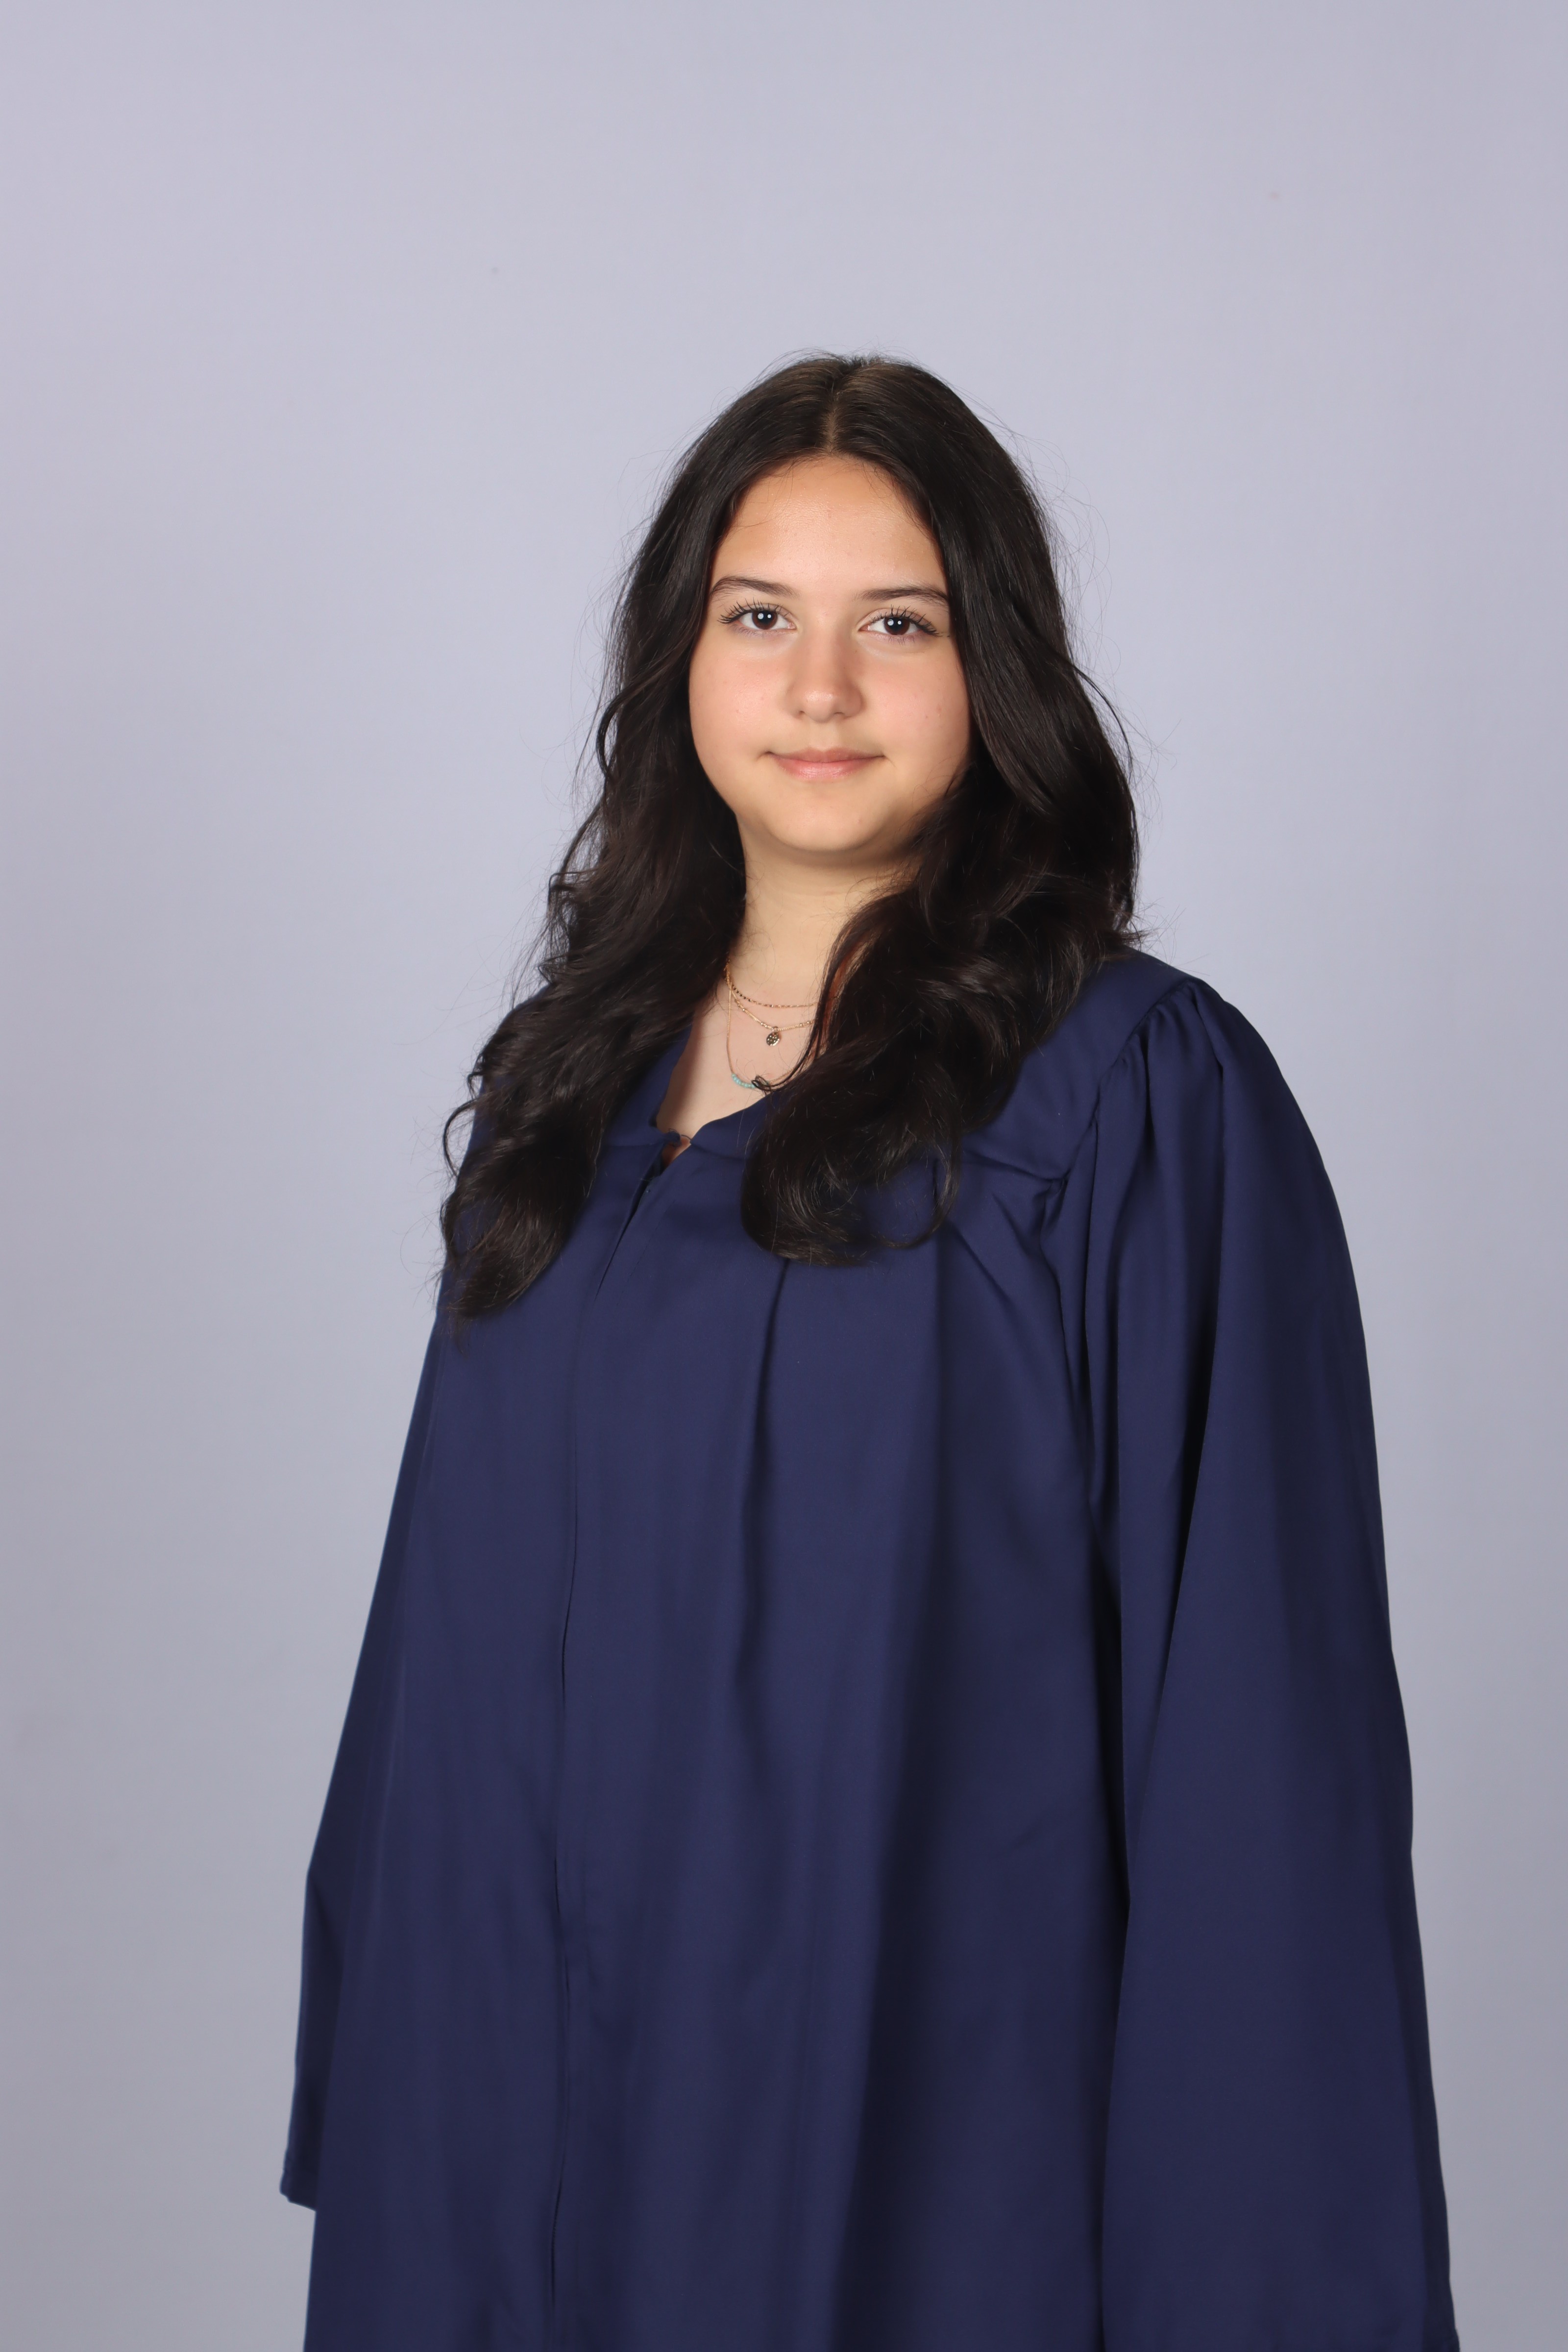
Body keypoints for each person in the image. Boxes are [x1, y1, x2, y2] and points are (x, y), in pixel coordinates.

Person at [282, 356, 1458, 2352]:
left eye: (895, 624)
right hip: (506, 2104)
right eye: (760, 617)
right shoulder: (568, 1093)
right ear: (680, 660)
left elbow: (1256, 1740)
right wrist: (391, 2076)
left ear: (995, 667)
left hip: (910, 2132)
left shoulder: (1128, 1100)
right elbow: (432, 1661)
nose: (818, 688)